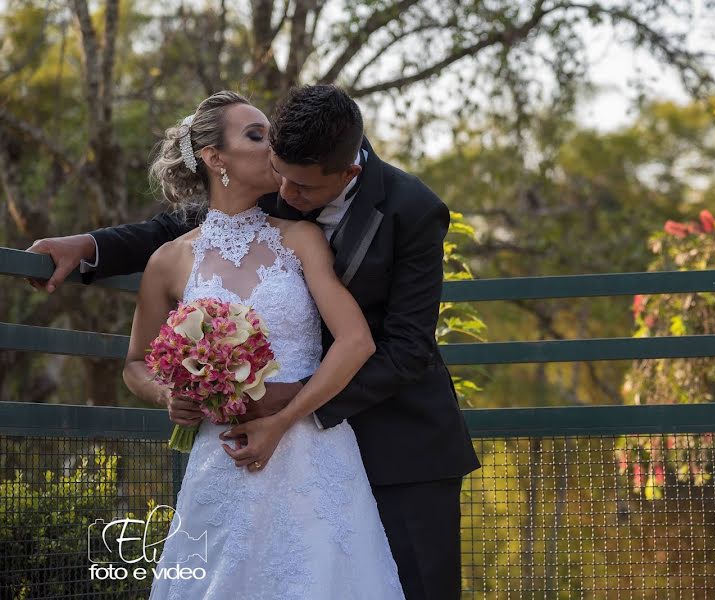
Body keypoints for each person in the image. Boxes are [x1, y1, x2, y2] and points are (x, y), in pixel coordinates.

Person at [27, 85, 480, 599]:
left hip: (398, 440)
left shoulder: (412, 209)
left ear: (345, 173)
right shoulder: (282, 178)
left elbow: (406, 349)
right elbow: (190, 232)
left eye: (302, 187)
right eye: (275, 167)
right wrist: (89, 246)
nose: (287, 194)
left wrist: (288, 400)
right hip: (253, 447)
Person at [120, 90, 403, 598]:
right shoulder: (168, 260)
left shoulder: (300, 238)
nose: (272, 146)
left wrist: (281, 420)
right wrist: (170, 394)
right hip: (221, 457)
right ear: (214, 159)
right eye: (255, 135)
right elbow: (137, 363)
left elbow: (356, 341)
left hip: (312, 452)